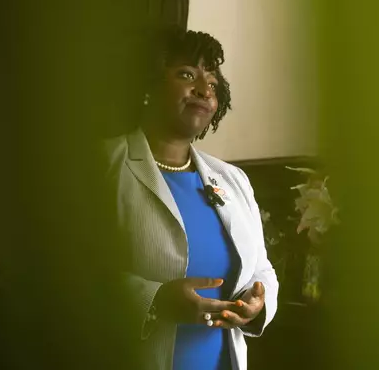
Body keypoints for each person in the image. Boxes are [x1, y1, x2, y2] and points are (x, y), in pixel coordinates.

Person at [103, 27, 278, 370]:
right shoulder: (100, 166)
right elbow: (65, 270)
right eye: (186, 74)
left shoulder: (233, 179)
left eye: (212, 83)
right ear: (148, 84)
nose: (203, 90)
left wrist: (259, 302)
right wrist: (154, 302)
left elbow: (262, 269)